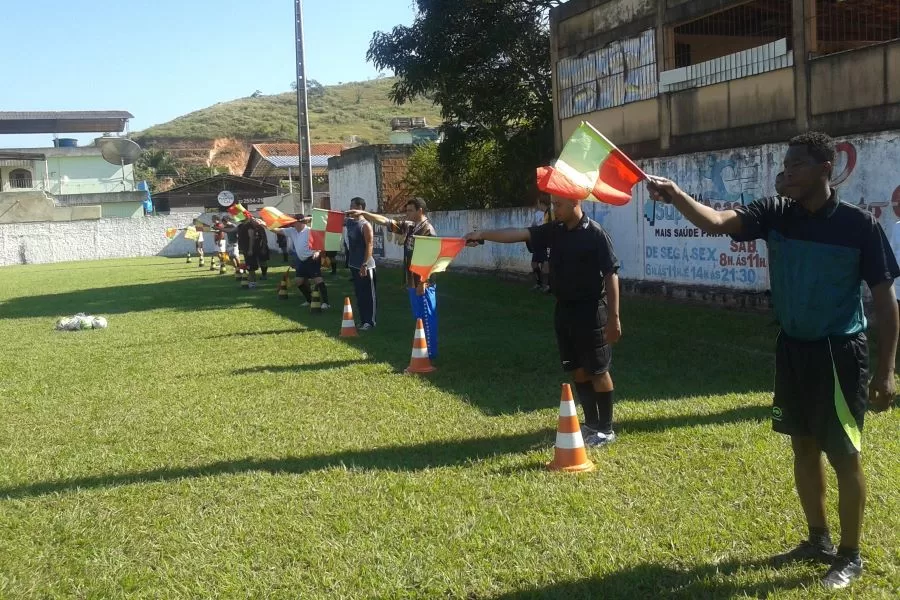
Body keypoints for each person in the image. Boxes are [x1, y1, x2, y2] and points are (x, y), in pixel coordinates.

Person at [646, 132, 899, 590]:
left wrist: (885, 371)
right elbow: (718, 222)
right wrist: (678, 195)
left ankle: (850, 555)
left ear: (826, 169)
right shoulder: (775, 214)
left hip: (839, 354)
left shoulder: (859, 226)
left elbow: (885, 302)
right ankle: (818, 540)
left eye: (796, 164)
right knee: (802, 447)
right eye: (783, 164)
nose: (785, 172)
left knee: (844, 455)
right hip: (792, 348)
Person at [464, 196, 622, 447]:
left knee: (597, 370)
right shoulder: (555, 230)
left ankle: (606, 429)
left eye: (558, 205)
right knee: (578, 369)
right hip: (564, 310)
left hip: (591, 311)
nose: (554, 210)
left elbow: (611, 275)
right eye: (552, 205)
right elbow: (518, 234)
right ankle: (591, 424)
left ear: (575, 202)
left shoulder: (595, 234)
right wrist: (482, 234)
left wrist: (613, 318)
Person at [348, 198, 439, 358]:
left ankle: (430, 354)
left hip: (423, 282)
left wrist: (423, 282)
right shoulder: (410, 226)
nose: (407, 213)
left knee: (427, 317)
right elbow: (385, 221)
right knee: (418, 318)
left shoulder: (428, 230)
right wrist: (364, 213)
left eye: (410, 210)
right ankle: (422, 350)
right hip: (411, 280)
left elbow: (431, 259)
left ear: (420, 211)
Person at [276, 215, 330, 309]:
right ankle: (309, 300)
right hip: (301, 260)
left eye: (294, 222)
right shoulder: (292, 231)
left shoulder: (310, 230)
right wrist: (263, 224)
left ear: (301, 222)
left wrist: (317, 252)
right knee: (298, 281)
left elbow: (320, 241)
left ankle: (326, 303)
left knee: (318, 280)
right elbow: (276, 230)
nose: (292, 224)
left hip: (312, 259)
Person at [345, 197, 377, 330]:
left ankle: (370, 321)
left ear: (359, 208)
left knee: (368, 295)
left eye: (352, 206)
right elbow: (333, 218)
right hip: (354, 265)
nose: (350, 209)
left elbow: (370, 245)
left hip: (366, 266)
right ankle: (363, 320)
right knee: (359, 294)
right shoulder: (350, 222)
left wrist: (364, 264)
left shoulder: (365, 225)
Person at [527, 195, 552, 292]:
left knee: (546, 265)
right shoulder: (538, 214)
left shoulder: (550, 213)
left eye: (538, 202)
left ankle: (549, 286)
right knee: (534, 263)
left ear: (541, 202)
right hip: (538, 242)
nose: (537, 204)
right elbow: (533, 226)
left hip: (546, 243)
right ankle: (539, 283)